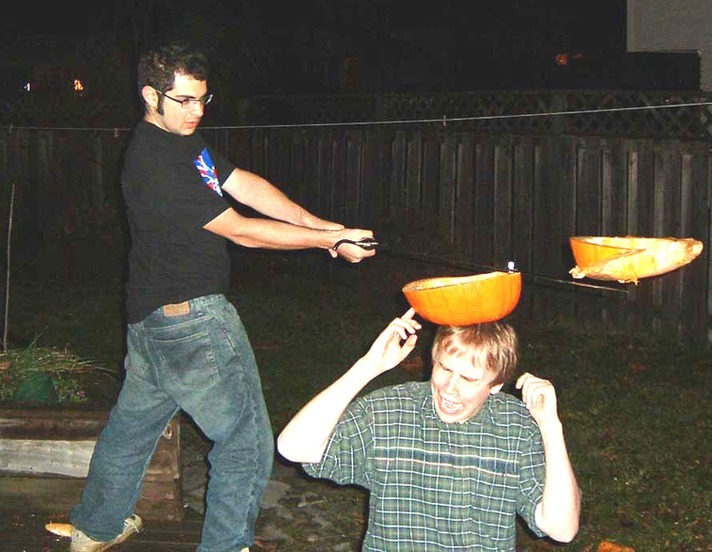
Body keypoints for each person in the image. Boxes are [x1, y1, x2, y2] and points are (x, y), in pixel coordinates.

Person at [68, 40, 376, 552]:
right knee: (246, 443)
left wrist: (326, 228)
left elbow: (243, 185)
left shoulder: (185, 143)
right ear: (150, 96)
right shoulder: (154, 161)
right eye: (184, 100)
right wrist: (328, 241)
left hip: (152, 321)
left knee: (131, 430)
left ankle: (95, 529)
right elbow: (242, 231)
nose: (196, 111)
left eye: (202, 99)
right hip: (192, 321)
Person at [277, 308, 581, 551]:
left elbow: (562, 529)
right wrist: (368, 366)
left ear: (496, 384)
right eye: (444, 368)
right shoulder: (391, 410)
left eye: (468, 379)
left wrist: (550, 426)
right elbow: (293, 448)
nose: (449, 388)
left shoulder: (514, 426)